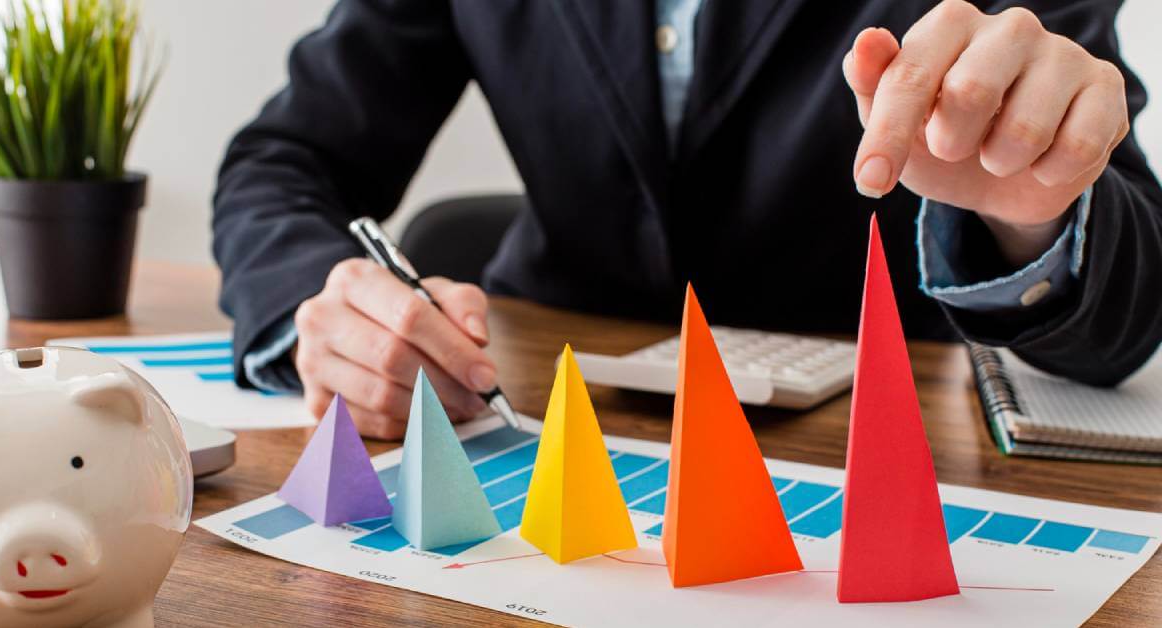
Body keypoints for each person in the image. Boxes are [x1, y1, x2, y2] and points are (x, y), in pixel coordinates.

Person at [213, 0, 1162, 438]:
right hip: (534, 412)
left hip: (873, 444)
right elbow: (282, 158)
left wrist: (1040, 225)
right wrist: (320, 307)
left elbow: (1136, 298)